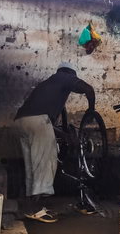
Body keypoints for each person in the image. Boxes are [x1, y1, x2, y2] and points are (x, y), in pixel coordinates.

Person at [14, 62, 95, 222]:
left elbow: (48, 122)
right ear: (71, 74)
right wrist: (91, 110)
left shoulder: (49, 86)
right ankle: (36, 208)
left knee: (32, 165)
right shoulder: (64, 77)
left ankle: (31, 208)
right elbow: (88, 89)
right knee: (44, 162)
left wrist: (65, 136)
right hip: (37, 122)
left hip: (21, 122)